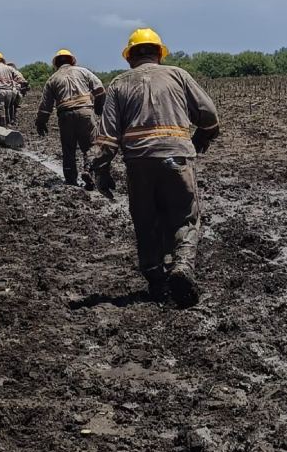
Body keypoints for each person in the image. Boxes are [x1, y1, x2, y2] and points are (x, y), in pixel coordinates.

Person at [87, 28, 220, 307]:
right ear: (159, 53)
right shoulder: (178, 75)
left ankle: (157, 281)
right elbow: (209, 117)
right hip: (177, 157)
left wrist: (101, 170)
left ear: (129, 57)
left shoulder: (119, 84)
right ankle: (183, 264)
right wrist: (198, 139)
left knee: (146, 221)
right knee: (185, 216)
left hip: (139, 163)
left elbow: (107, 138)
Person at [35, 49, 106, 187]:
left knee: (68, 149)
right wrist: (98, 107)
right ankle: (88, 170)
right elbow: (100, 90)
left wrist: (41, 122)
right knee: (91, 145)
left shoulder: (53, 79)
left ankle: (71, 181)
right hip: (85, 112)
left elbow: (45, 105)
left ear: (56, 63)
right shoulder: (83, 72)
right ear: (72, 61)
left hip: (65, 115)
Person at [0, 53, 26, 126]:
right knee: (7, 109)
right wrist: (22, 83)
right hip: (9, 92)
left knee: (1, 110)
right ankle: (8, 125)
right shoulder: (9, 68)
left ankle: (2, 127)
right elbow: (19, 78)